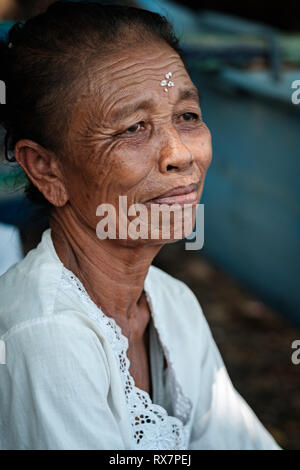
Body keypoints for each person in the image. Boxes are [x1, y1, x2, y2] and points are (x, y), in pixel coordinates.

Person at [0, 1, 281, 450]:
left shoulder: (173, 304)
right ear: (47, 169)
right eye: (133, 128)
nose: (181, 154)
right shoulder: (44, 335)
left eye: (187, 117)